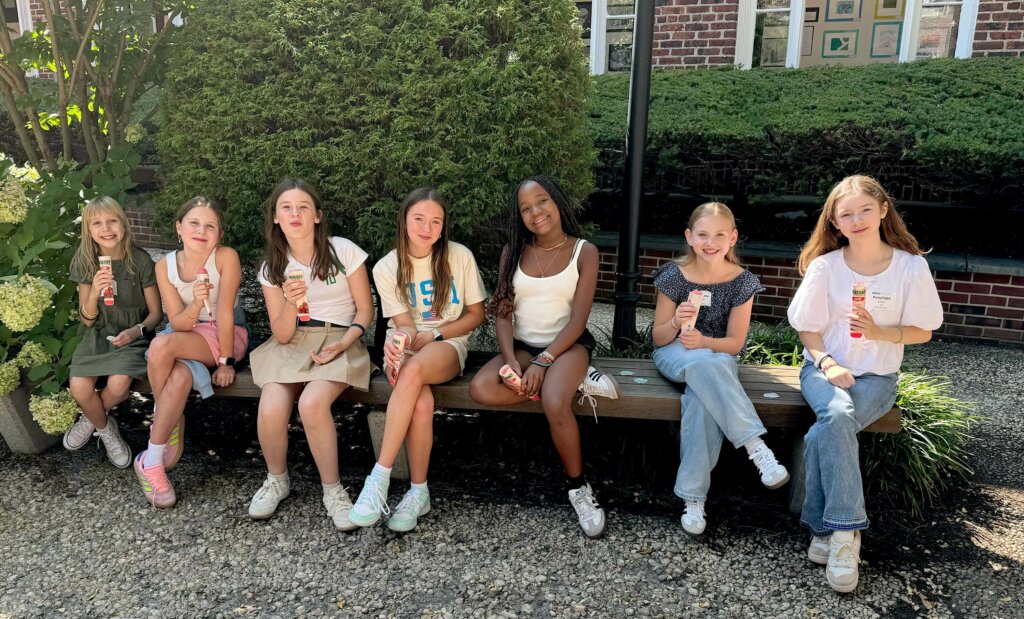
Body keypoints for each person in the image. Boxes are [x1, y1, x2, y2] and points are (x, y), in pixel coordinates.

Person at [788, 175, 942, 593]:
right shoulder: (826, 267)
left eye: (864, 211)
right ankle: (845, 535)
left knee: (828, 429)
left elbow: (924, 330)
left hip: (877, 377)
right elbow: (807, 329)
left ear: (882, 211)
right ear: (835, 223)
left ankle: (824, 528)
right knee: (836, 412)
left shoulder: (910, 267)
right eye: (846, 214)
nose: (856, 220)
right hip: (823, 371)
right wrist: (827, 363)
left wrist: (880, 332)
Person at [468, 175, 617, 538]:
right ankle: (562, 380)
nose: (536, 212)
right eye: (526, 208)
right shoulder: (512, 252)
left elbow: (579, 320)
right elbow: (503, 313)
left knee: (553, 401)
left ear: (558, 202)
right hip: (522, 346)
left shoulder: (585, 251)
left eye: (542, 201)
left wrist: (543, 362)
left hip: (567, 345)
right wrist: (511, 362)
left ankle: (579, 487)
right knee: (482, 389)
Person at [349, 188, 486, 533]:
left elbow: (475, 314)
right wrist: (402, 341)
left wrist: (436, 334)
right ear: (405, 221)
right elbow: (404, 324)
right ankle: (418, 492)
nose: (427, 227)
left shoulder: (459, 256)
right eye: (419, 219)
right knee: (421, 404)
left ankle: (378, 477)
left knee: (413, 370)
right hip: (411, 345)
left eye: (435, 221)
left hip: (448, 344)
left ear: (443, 227)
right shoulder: (386, 267)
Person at [650, 202, 789, 536]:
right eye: (702, 234)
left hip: (715, 359)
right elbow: (658, 338)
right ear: (689, 236)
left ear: (732, 238)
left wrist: (706, 343)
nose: (709, 242)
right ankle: (756, 447)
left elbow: (735, 344)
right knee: (702, 364)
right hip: (675, 353)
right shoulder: (674, 275)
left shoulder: (742, 282)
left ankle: (693, 498)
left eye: (718, 235)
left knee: (700, 401)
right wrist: (676, 320)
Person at [246, 179, 375, 531]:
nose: (295, 214)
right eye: (286, 207)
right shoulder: (272, 266)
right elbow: (283, 333)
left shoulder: (343, 251)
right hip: (293, 340)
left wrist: (346, 341)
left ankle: (333, 491)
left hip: (340, 337)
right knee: (272, 403)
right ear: (275, 217)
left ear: (317, 216)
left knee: (312, 404)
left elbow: (366, 310)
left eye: (303, 207)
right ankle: (277, 480)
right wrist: (289, 300)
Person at [133, 196, 248, 508]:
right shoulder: (164, 266)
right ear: (179, 228)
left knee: (161, 345)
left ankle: (163, 423)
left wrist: (226, 361)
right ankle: (153, 461)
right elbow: (179, 322)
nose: (202, 230)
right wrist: (196, 302)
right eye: (194, 223)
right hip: (185, 332)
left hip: (226, 334)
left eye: (210, 226)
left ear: (219, 234)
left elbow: (224, 313)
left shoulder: (225, 257)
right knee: (179, 375)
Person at [63, 196, 163, 468]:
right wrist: (95, 289)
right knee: (79, 387)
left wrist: (135, 331)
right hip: (97, 332)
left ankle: (93, 418)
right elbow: (86, 320)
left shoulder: (140, 260)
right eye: (97, 223)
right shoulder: (85, 261)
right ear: (88, 230)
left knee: (119, 384)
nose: (106, 228)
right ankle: (107, 430)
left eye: (112, 220)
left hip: (133, 335)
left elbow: (156, 314)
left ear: (123, 223)